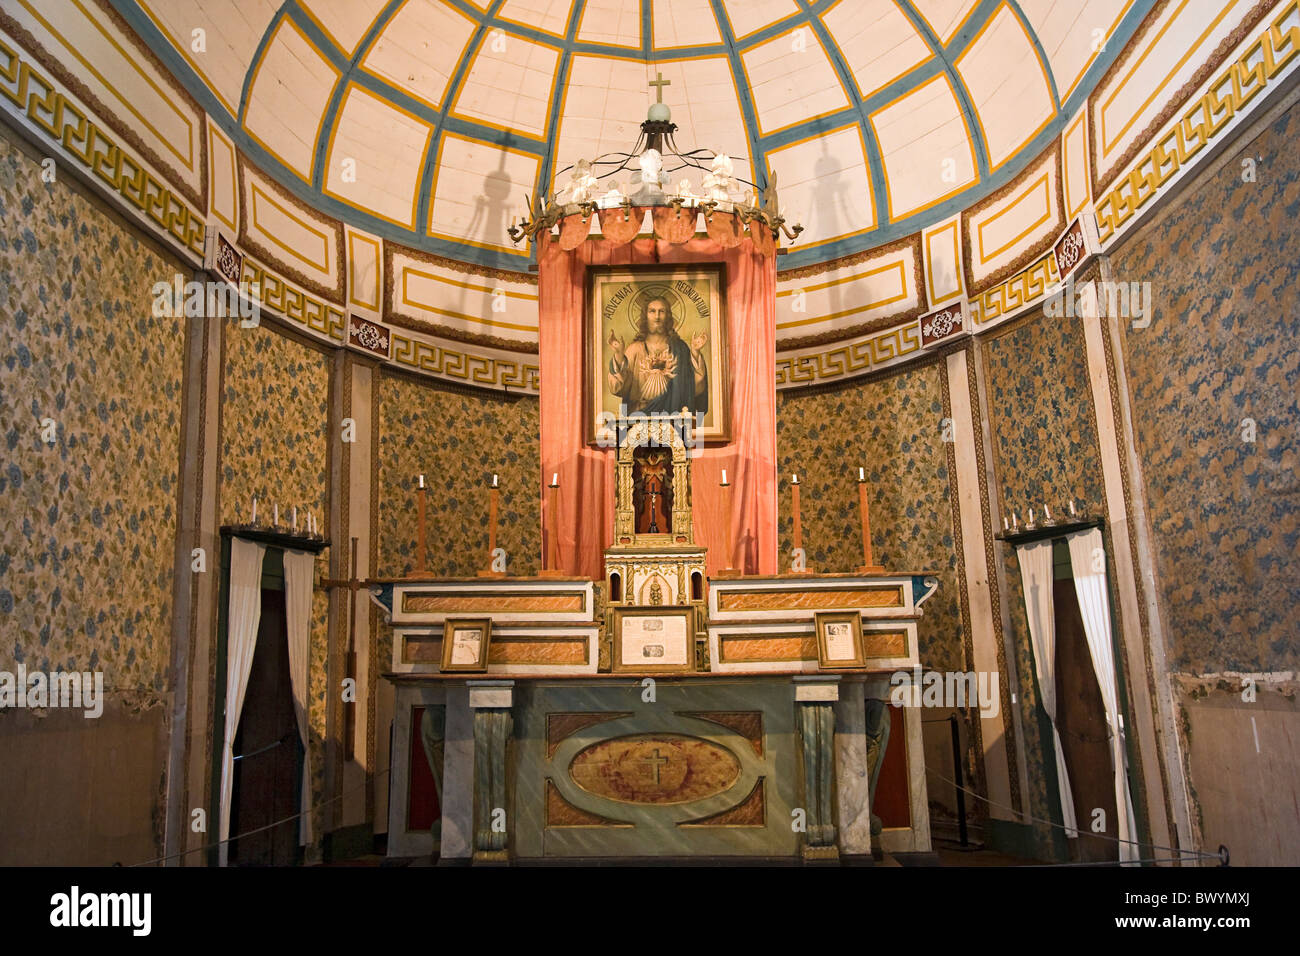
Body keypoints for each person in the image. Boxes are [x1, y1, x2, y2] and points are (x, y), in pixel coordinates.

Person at [607, 295, 707, 417]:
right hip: (639, 418)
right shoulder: (635, 349)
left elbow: (695, 387)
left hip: (672, 419)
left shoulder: (680, 349)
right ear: (645, 316)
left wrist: (695, 352)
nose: (657, 316)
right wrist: (618, 354)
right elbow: (617, 388)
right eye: (652, 311)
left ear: (668, 316)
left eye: (662, 311)